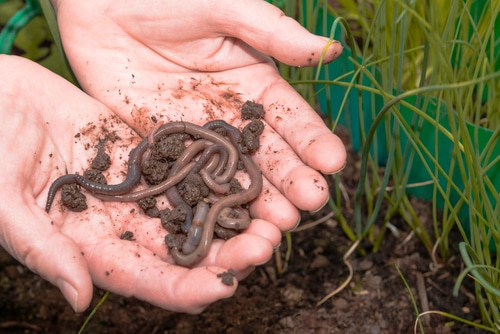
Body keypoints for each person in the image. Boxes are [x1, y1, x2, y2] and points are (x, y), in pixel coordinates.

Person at [0, 0, 346, 314]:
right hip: (198, 158)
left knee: (174, 181)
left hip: (203, 158)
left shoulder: (209, 170)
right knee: (147, 182)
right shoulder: (199, 166)